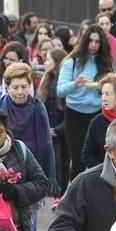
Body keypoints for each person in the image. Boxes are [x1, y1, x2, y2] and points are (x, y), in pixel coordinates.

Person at [0, 62, 58, 231]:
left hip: (32, 171)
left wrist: (46, 177)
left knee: (29, 224)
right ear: (7, 88)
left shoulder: (38, 108)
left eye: (24, 86)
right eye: (15, 87)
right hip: (5, 172)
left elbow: (47, 144)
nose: (20, 92)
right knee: (7, 223)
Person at [57, 24, 114, 182]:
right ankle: (74, 197)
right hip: (75, 114)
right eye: (90, 41)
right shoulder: (72, 62)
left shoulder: (105, 64)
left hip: (97, 114)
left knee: (99, 159)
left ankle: (96, 193)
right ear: (84, 42)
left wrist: (104, 87)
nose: (94, 45)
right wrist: (75, 83)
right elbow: (60, 90)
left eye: (97, 42)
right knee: (78, 161)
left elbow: (113, 88)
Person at [37, 47, 69, 208]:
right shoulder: (46, 78)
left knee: (61, 163)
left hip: (61, 129)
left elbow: (69, 113)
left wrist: (58, 129)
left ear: (57, 63)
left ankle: (61, 194)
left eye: (49, 59)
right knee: (51, 161)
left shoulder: (63, 83)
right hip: (48, 127)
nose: (46, 62)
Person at [0, 42, 34, 106]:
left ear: (20, 61)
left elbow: (30, 99)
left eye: (12, 60)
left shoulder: (26, 76)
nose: (7, 62)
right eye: (5, 58)